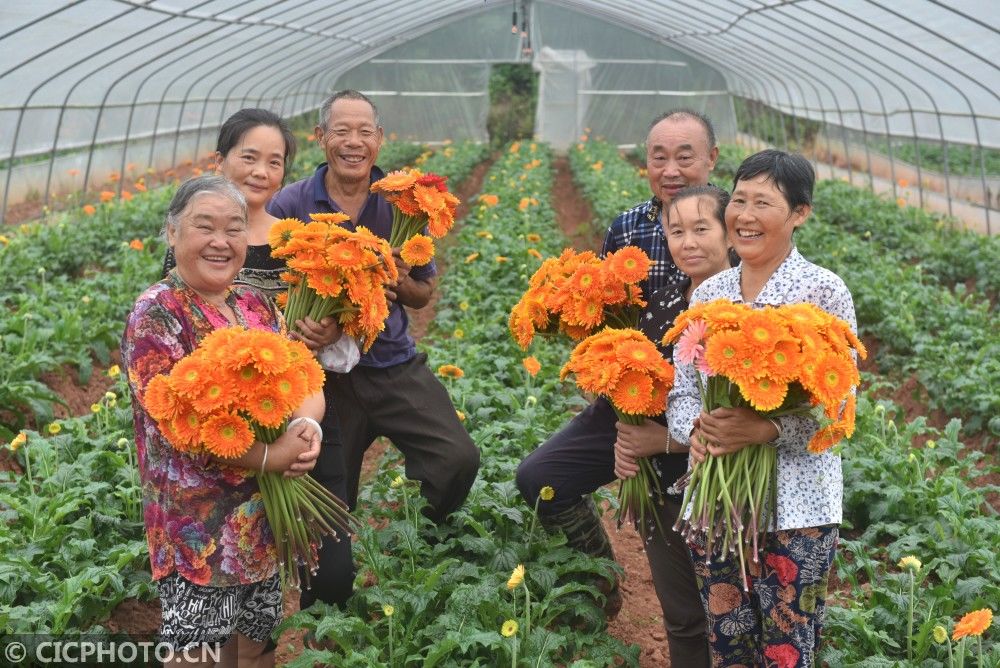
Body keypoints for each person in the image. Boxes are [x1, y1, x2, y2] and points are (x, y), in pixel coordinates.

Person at [516, 110, 719, 665]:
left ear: (711, 160)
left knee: (690, 580)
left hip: (701, 416)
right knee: (540, 477)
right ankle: (600, 574)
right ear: (645, 162)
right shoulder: (628, 228)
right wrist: (599, 368)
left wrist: (668, 430)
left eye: (685, 155)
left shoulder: (730, 226)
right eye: (659, 156)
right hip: (628, 405)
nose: (671, 168)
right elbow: (603, 310)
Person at [122, 175, 323, 667]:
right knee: (202, 654)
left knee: (259, 646)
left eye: (234, 229)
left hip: (262, 520)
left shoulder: (253, 303)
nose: (221, 241)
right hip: (198, 527)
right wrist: (272, 456)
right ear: (172, 234)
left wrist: (306, 428)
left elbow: (303, 378)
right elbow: (179, 428)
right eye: (204, 226)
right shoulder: (159, 312)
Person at [669, 150, 856, 667]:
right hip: (715, 503)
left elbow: (837, 411)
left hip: (799, 509)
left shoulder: (823, 292)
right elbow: (682, 391)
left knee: (787, 650)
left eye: (763, 203)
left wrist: (766, 428)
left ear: (800, 213)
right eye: (739, 201)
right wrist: (698, 431)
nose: (745, 217)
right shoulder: (710, 294)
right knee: (729, 642)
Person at [162, 109, 354, 611]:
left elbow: (301, 337)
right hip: (223, 440)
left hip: (289, 404)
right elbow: (182, 352)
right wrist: (268, 450)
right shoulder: (190, 260)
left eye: (275, 161)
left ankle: (313, 622)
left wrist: (326, 327)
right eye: (248, 156)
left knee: (295, 585)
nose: (260, 171)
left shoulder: (294, 240)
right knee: (212, 628)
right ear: (220, 161)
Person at [267, 90, 480, 524]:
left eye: (365, 131)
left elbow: (423, 295)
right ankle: (332, 569)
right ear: (321, 137)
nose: (353, 142)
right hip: (322, 377)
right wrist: (310, 326)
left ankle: (424, 535)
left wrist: (397, 278)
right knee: (327, 500)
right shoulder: (290, 205)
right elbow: (266, 293)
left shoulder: (405, 203)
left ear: (380, 140)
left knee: (456, 457)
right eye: (341, 131)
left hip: (391, 363)